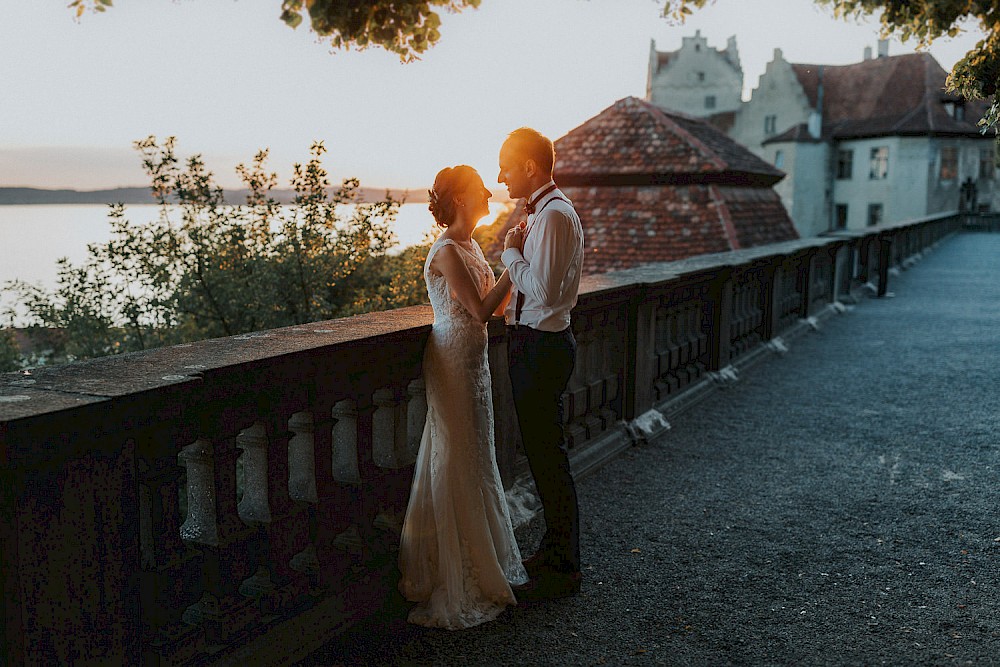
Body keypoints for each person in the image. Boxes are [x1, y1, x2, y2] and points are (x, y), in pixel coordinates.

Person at [397, 165, 528, 629]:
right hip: (452, 360)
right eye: (478, 189)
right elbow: (479, 309)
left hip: (474, 363)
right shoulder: (448, 251)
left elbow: (496, 307)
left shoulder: (471, 244)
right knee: (454, 456)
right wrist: (515, 260)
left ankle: (482, 555)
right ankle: (452, 573)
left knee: (476, 454)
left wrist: (514, 269)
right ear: (458, 200)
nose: (488, 193)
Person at [498, 127, 585, 600]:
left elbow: (547, 291)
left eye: (506, 166)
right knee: (544, 455)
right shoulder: (546, 213)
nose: (500, 176)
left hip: (541, 347)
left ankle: (565, 565)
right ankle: (555, 551)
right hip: (536, 343)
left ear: (530, 167)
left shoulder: (552, 216)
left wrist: (511, 252)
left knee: (549, 458)